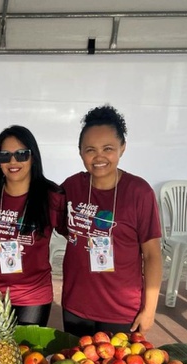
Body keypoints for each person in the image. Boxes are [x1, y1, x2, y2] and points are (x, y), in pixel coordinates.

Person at [61, 105, 162, 337]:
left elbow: (152, 255)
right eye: (90, 150)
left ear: (122, 148)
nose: (99, 157)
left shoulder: (139, 192)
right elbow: (62, 228)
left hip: (121, 312)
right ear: (80, 152)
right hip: (76, 306)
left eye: (108, 148)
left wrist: (149, 310)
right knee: (74, 360)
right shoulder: (71, 187)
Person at [0, 125, 66, 326]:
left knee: (27, 347)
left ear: (33, 157)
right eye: (5, 156)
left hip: (32, 295)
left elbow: (76, 236)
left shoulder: (51, 196)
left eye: (21, 154)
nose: (13, 161)